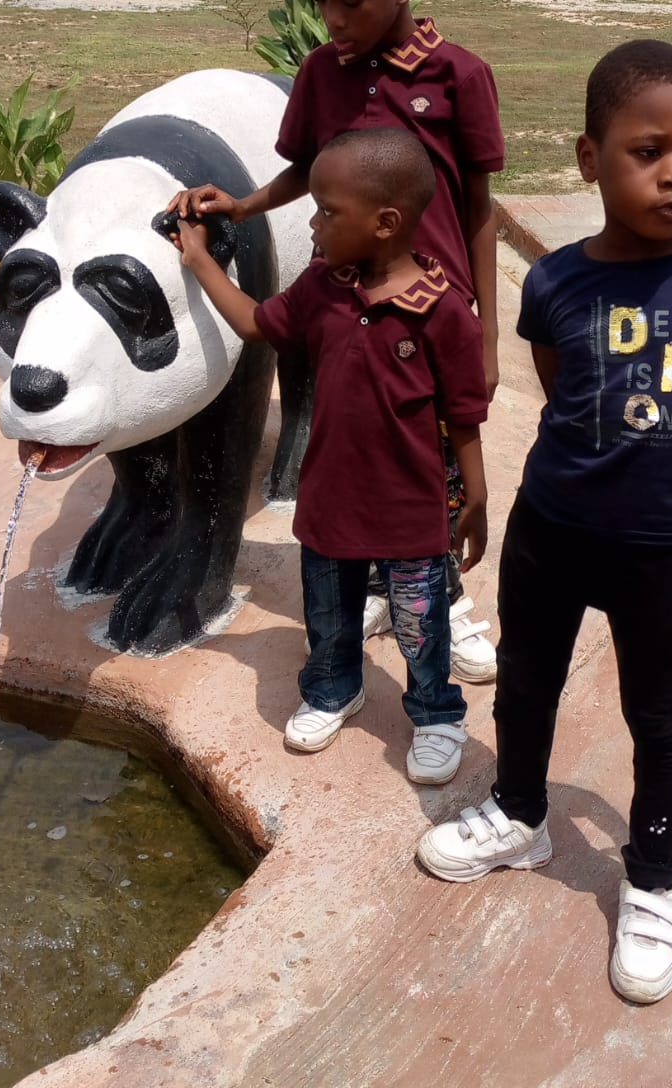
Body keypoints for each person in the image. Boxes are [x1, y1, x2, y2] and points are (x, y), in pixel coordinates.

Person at [415, 39, 672, 1005]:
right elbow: (564, 394)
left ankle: (654, 878)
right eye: (647, 152)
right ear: (590, 159)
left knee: (660, 717)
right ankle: (520, 814)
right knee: (525, 684)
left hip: (663, 552)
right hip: (551, 533)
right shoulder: (553, 282)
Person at [167, 0, 505, 682]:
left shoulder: (459, 76)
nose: (332, 19)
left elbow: (479, 208)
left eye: (348, 0)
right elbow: (309, 171)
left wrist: (487, 331)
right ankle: (379, 585)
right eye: (320, 1)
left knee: (434, 465)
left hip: (432, 311)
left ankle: (443, 600)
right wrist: (243, 204)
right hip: (348, 306)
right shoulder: (322, 73)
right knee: (363, 452)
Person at [171, 129, 488, 782]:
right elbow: (256, 324)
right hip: (330, 499)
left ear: (385, 223)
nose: (313, 223)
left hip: (411, 510)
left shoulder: (443, 311)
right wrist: (200, 259)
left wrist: (475, 496)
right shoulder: (323, 287)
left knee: (422, 624)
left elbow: (464, 415)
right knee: (329, 614)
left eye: (326, 211)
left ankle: (435, 712)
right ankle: (332, 688)